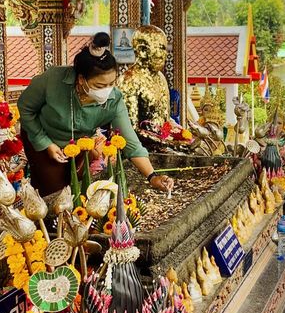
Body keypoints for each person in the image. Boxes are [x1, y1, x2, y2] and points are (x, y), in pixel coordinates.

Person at [18, 32, 174, 197]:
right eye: (100, 85)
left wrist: (152, 176)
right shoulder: (53, 79)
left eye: (111, 84)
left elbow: (131, 143)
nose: (106, 90)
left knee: (79, 192)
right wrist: (45, 143)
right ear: (81, 79)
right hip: (43, 139)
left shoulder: (114, 99)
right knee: (55, 195)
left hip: (80, 146)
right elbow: (26, 108)